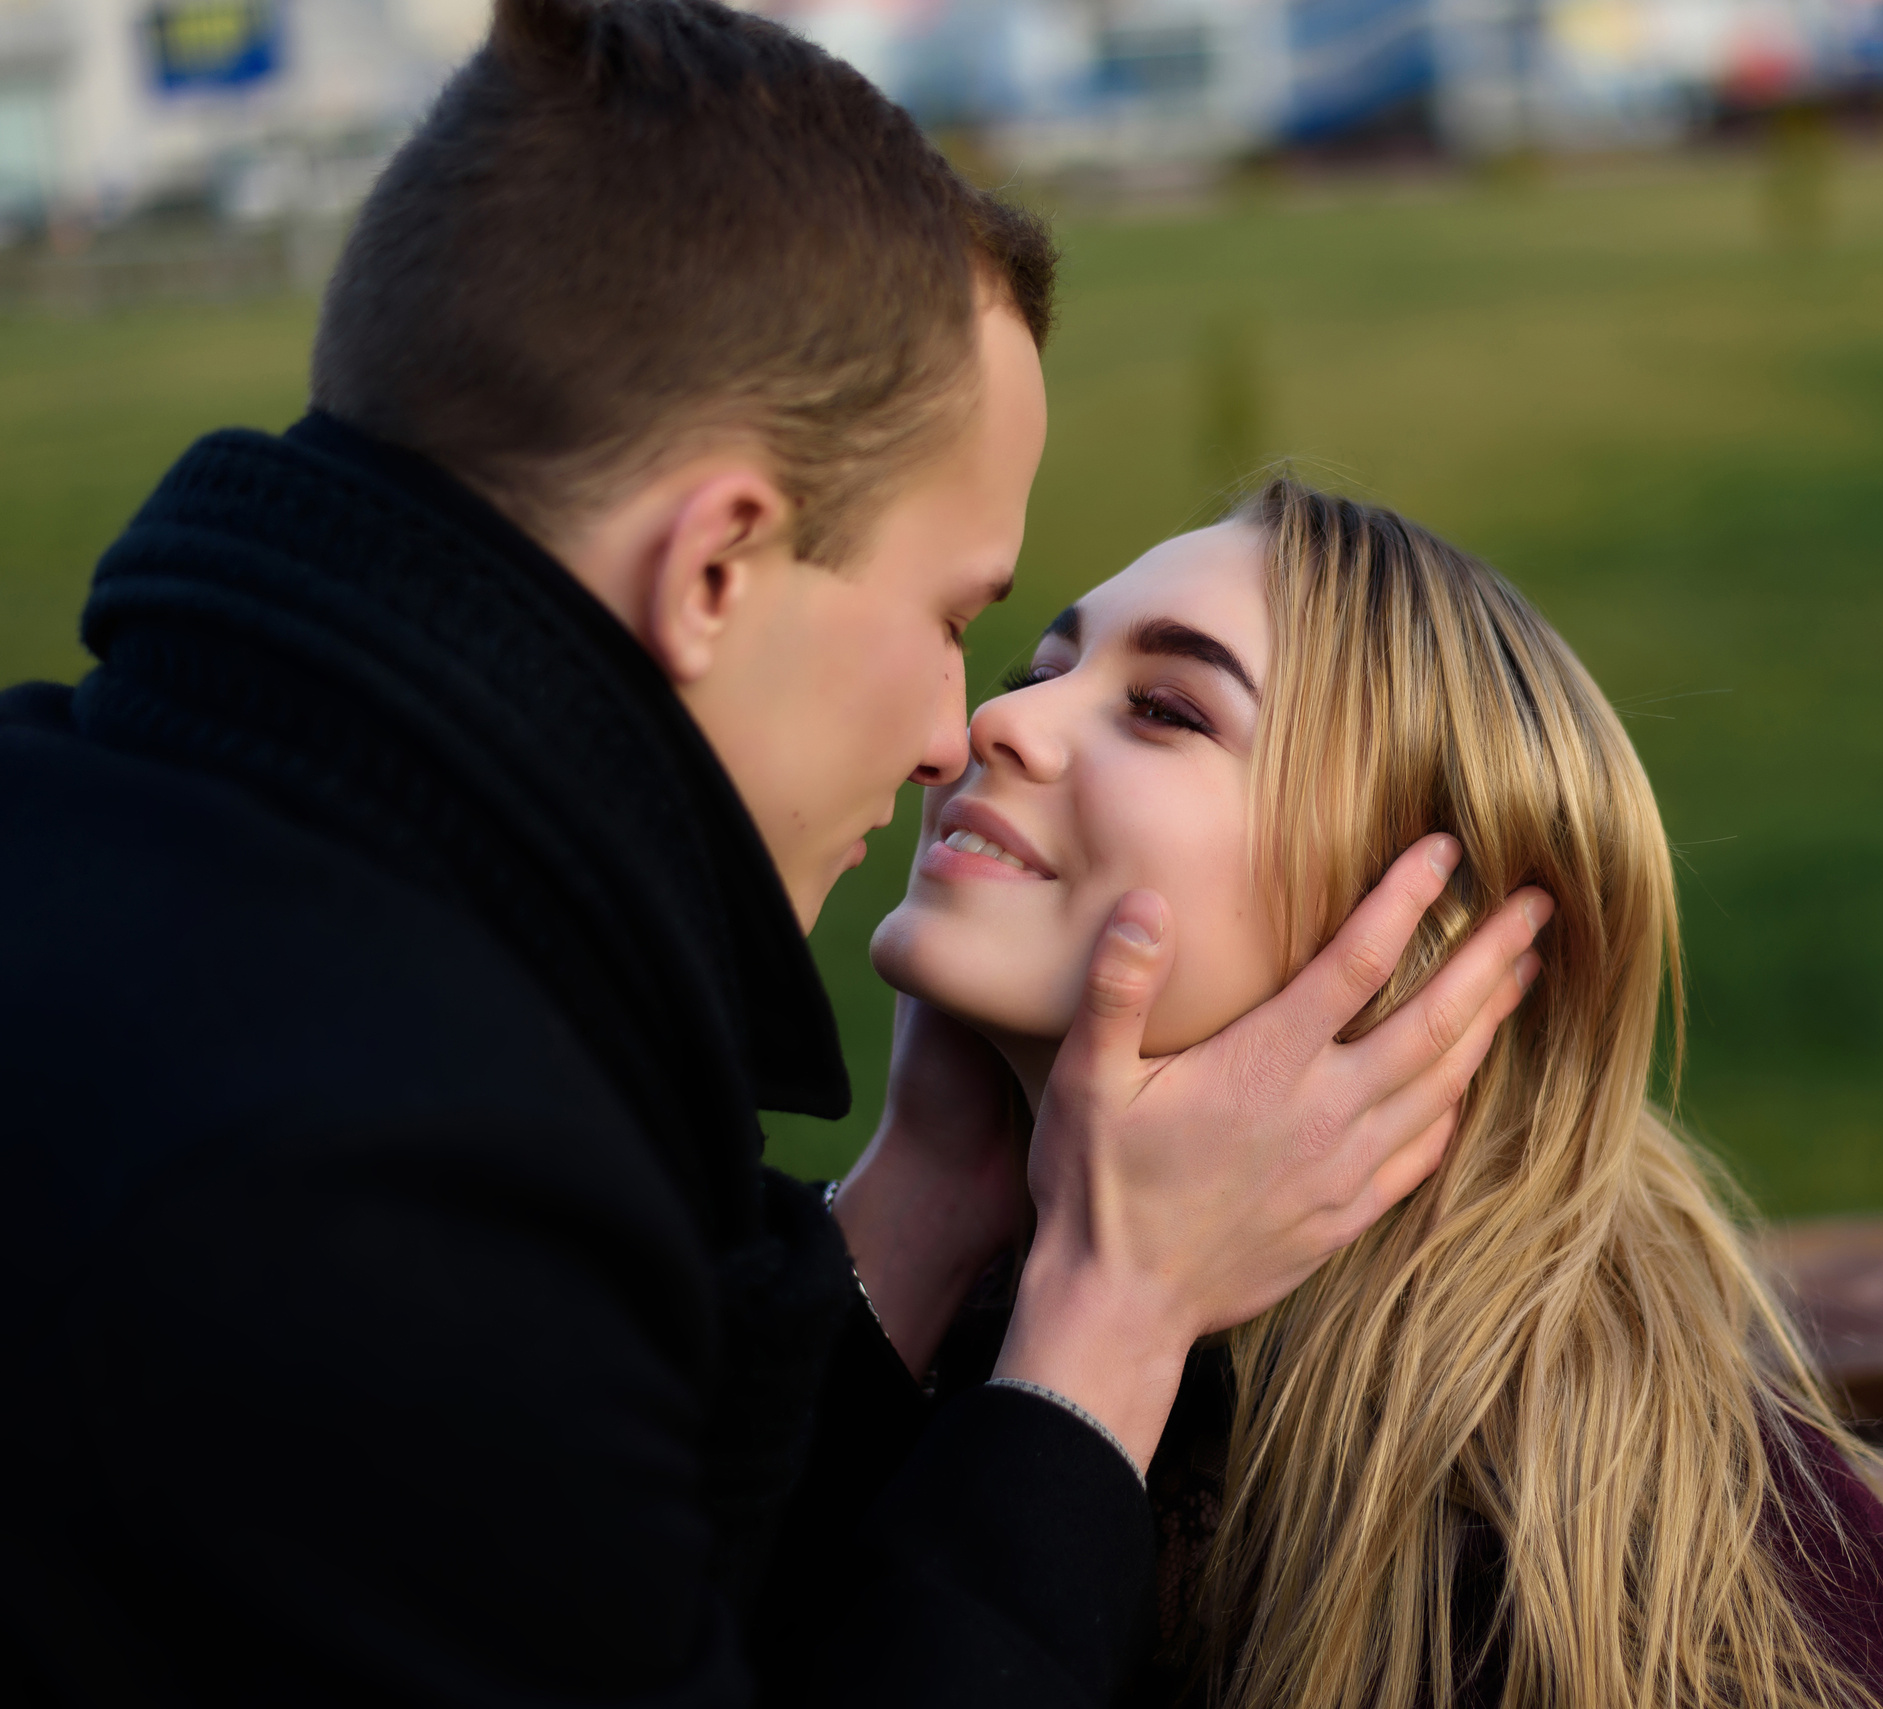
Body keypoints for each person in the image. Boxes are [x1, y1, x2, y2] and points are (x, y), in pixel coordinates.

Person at [0, 3, 1547, 1704]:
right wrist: (1114, 1316)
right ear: (719, 568)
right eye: (964, 619)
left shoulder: (166, 872)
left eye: (1163, 706)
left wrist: (914, 1202)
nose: (960, 729)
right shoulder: (399, 1196)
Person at [869, 480, 1883, 1709]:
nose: (999, 720)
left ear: (1418, 942)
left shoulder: (1621, 1578)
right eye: (1039, 664)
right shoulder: (950, 1339)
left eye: (1165, 709)